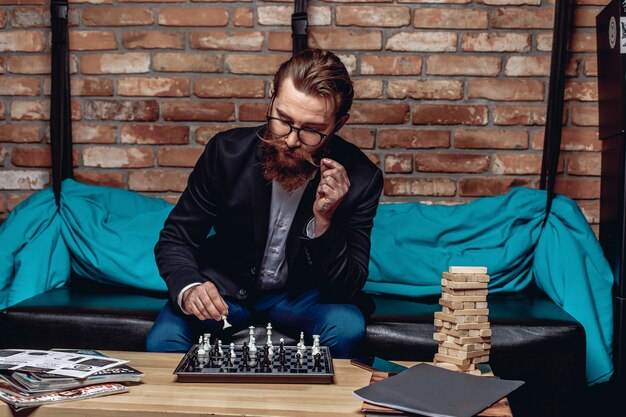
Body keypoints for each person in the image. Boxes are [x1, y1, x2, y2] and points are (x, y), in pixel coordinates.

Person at [146, 48, 384, 358]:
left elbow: (345, 288)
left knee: (346, 327)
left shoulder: (362, 178)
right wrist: (190, 287)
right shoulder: (225, 153)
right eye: (283, 119)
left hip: (300, 299)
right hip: (225, 293)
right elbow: (175, 238)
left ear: (338, 124)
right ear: (271, 98)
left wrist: (325, 221)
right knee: (163, 341)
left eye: (311, 130)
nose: (291, 140)